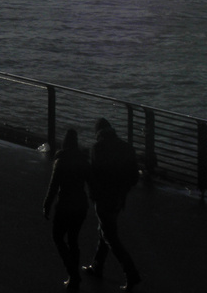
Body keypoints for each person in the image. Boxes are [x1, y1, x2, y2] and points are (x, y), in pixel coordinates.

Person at [84, 118, 142, 290]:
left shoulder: (97, 149)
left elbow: (93, 176)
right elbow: (134, 177)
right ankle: (97, 266)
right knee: (105, 231)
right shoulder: (127, 148)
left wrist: (93, 194)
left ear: (98, 133)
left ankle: (131, 273)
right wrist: (122, 189)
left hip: (103, 199)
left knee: (110, 237)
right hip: (118, 199)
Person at [44, 128, 92, 290]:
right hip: (80, 205)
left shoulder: (61, 159)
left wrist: (47, 205)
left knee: (58, 237)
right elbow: (91, 184)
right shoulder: (84, 161)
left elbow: (53, 186)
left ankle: (73, 274)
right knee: (73, 240)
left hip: (65, 204)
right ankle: (73, 276)